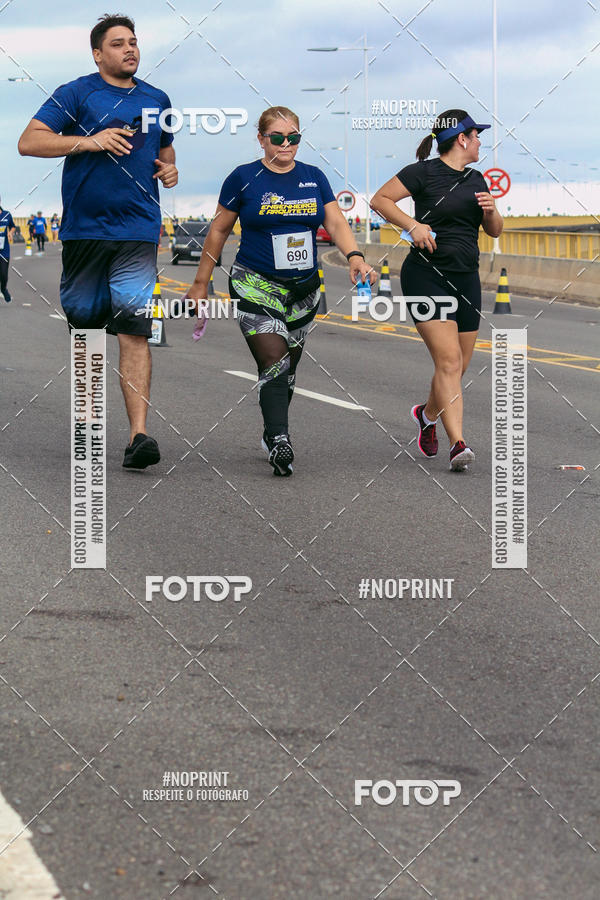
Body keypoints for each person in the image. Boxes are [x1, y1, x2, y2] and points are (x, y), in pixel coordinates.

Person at [18, 13, 178, 469]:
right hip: (85, 231)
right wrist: (91, 141)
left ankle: (139, 436)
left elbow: (164, 150)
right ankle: (88, 431)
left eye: (133, 42)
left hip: (137, 231)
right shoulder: (76, 93)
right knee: (87, 333)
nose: (130, 49)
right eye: (118, 43)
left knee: (134, 332)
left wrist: (170, 170)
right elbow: (29, 142)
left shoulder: (157, 98)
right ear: (97, 54)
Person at [187, 105, 374, 476]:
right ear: (261, 139)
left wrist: (354, 256)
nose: (286, 144)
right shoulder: (243, 178)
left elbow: (335, 222)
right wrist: (200, 282)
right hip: (255, 283)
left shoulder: (313, 177)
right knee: (274, 360)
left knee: (287, 367)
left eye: (294, 137)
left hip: (304, 289)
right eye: (277, 138)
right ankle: (279, 440)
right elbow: (219, 230)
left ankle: (271, 429)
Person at [370, 109, 503, 471]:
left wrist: (491, 211)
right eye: (476, 136)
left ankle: (426, 415)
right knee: (448, 362)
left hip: (466, 278)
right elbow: (380, 200)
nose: (480, 142)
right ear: (462, 138)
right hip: (426, 277)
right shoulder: (423, 172)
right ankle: (458, 444)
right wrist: (413, 225)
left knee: (458, 366)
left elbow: (494, 230)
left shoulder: (477, 179)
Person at [0, 200, 16, 303]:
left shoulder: (7, 214)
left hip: (4, 251)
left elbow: (13, 226)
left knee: (3, 274)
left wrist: (10, 232)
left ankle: (3, 289)